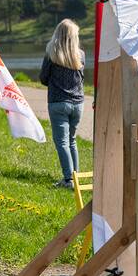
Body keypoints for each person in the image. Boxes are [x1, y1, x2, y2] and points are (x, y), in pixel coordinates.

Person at [39, 19, 84, 190]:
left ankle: (68, 180)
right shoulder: (81, 55)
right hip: (78, 103)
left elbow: (43, 78)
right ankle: (76, 178)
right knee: (72, 140)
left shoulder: (51, 54)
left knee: (62, 142)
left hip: (58, 103)